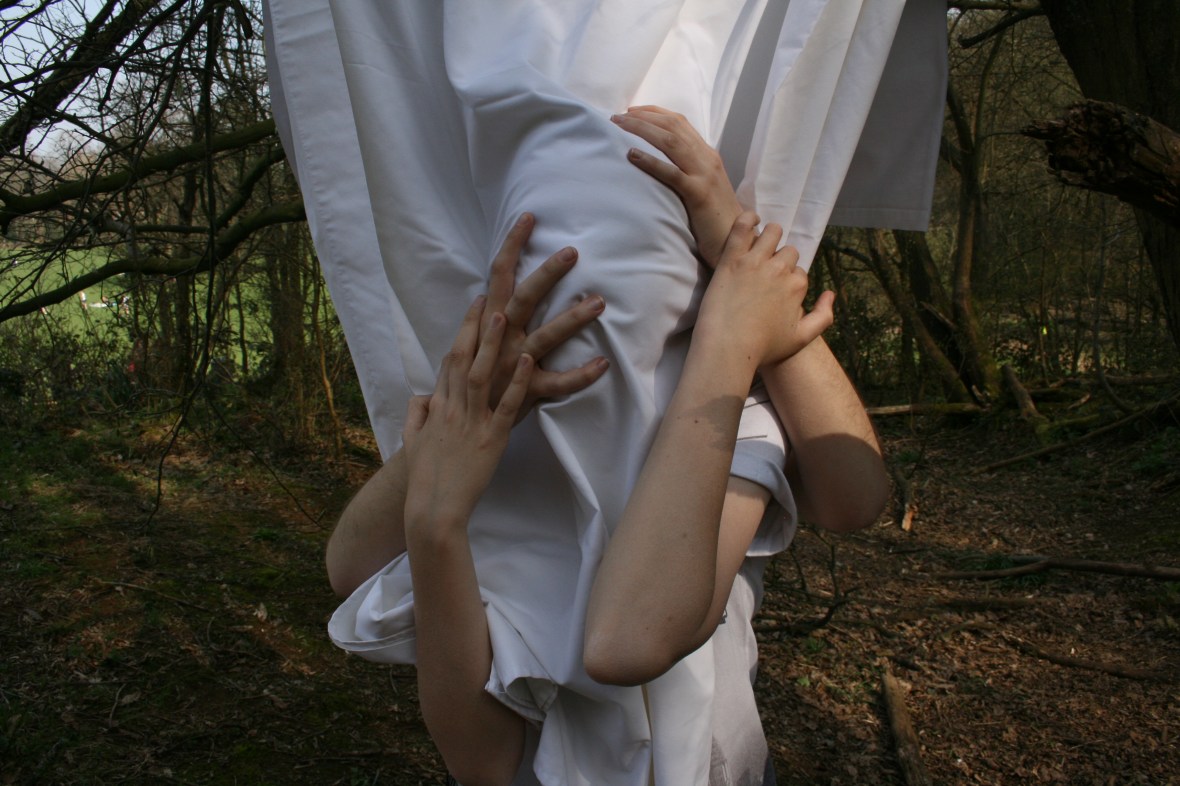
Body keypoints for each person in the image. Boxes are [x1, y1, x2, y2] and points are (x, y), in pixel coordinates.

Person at [265, 2, 944, 782]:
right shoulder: (662, 409)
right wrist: (737, 329)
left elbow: (850, 497)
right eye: (551, 300)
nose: (584, 323)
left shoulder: (709, 412)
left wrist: (737, 293)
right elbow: (359, 571)